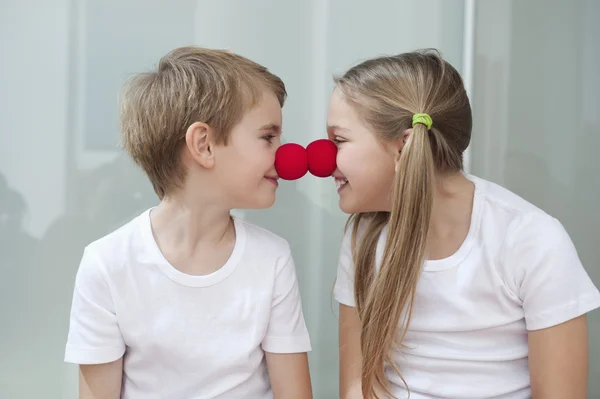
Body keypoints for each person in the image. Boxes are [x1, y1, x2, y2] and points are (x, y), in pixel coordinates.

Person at [328, 49, 600, 399]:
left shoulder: (531, 239)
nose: (322, 160)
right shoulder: (363, 236)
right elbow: (358, 387)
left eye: (339, 140)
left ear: (403, 147)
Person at [64, 46, 313, 399]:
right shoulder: (107, 264)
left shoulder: (272, 258)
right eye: (268, 137)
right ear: (204, 145)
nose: (286, 153)